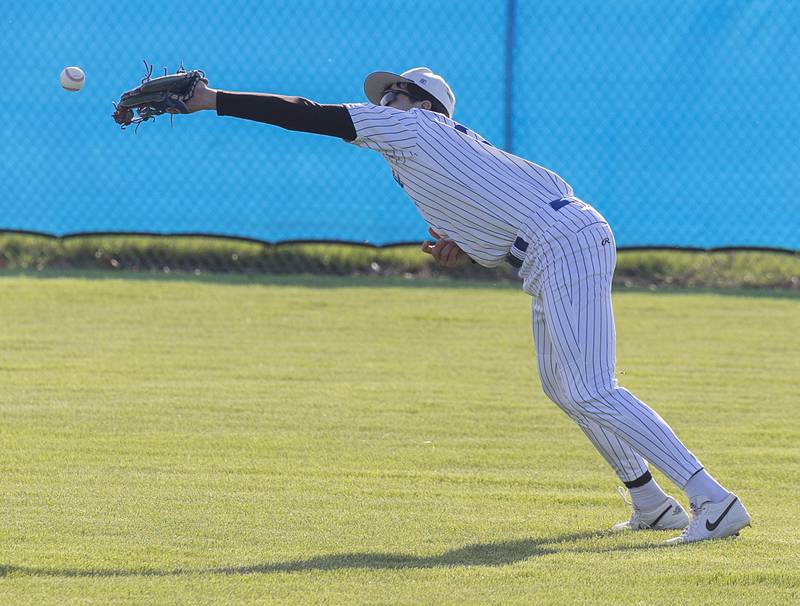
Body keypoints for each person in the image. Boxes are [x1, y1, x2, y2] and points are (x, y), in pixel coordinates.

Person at [180, 67, 750, 544]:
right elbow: (511, 218)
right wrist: (467, 248)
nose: (384, 99)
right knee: (564, 387)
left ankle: (713, 500)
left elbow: (306, 112)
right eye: (384, 95)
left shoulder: (413, 127)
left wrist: (212, 100)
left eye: (396, 92)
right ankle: (650, 502)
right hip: (554, 246)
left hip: (562, 244)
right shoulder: (428, 156)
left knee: (591, 388)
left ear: (425, 105)